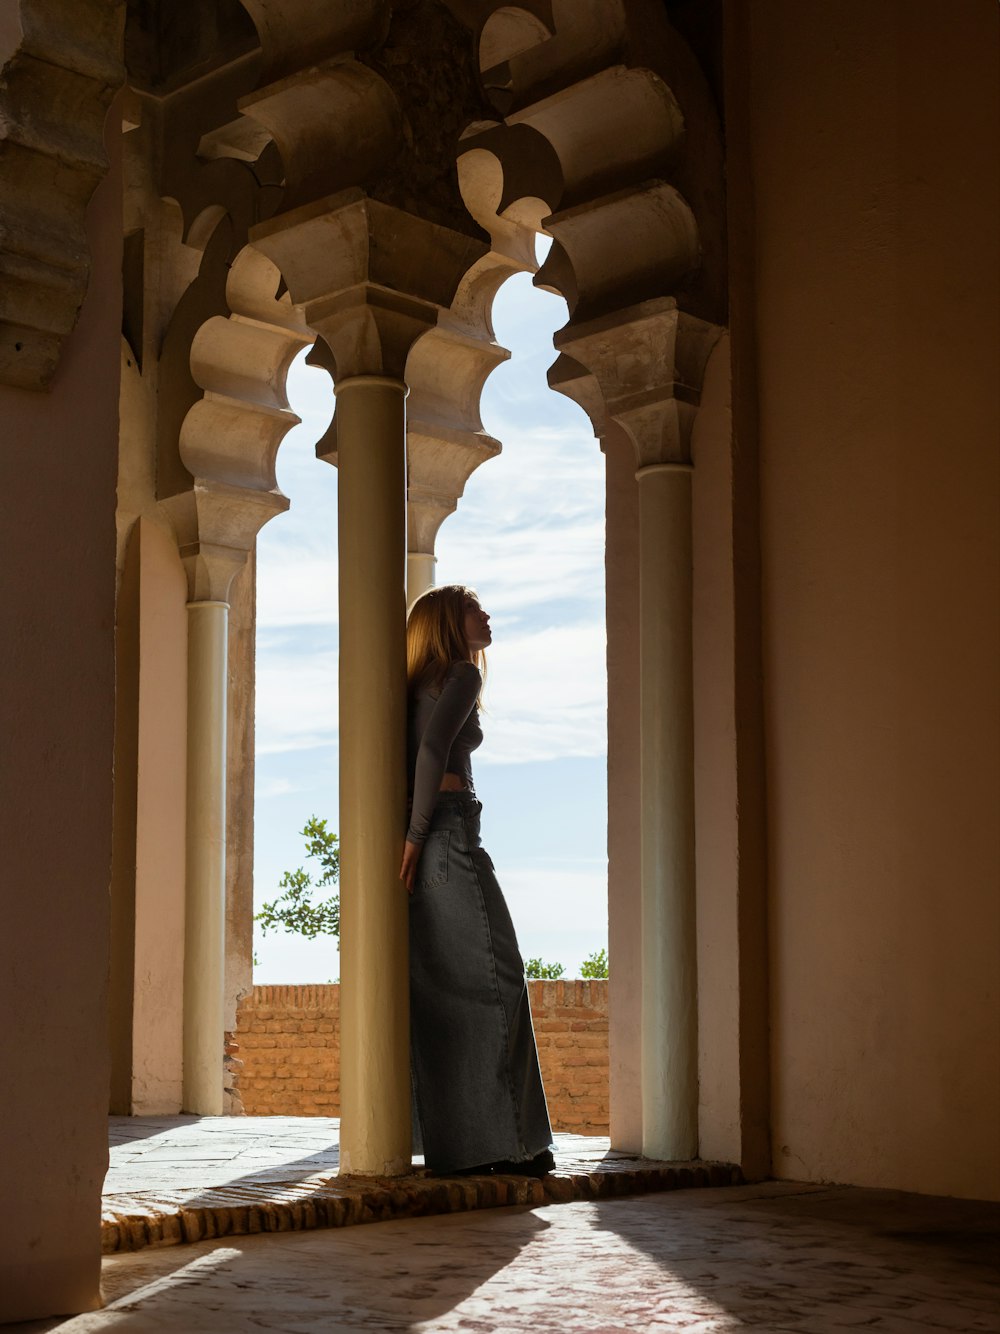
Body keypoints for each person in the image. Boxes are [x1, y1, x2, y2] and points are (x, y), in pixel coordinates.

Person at [400, 584, 554, 1177]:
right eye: (473, 608)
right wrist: (417, 833)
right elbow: (434, 749)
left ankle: (467, 1147)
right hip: (450, 834)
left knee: (449, 994)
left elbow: (414, 747)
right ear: (447, 621)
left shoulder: (414, 685)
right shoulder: (461, 674)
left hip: (426, 840)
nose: (486, 615)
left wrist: (411, 834)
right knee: (501, 978)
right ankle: (516, 1146)